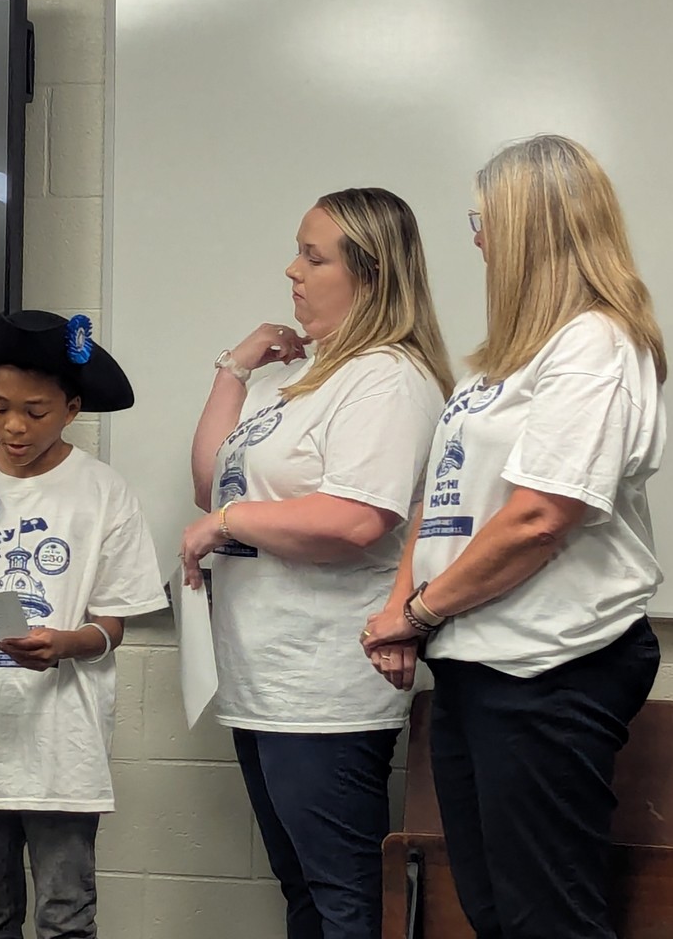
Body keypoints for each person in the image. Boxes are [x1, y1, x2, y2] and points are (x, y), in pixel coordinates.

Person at [362, 135, 667, 939]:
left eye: (484, 218)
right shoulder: (496, 365)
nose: (476, 238)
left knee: (548, 919)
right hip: (476, 660)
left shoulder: (595, 344)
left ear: (531, 226)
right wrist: (404, 612)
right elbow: (442, 498)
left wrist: (419, 613)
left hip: (551, 664)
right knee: (497, 913)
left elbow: (540, 518)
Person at [180, 188, 453, 939]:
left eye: (313, 255)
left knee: (344, 899)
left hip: (322, 685)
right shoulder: (301, 375)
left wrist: (228, 522)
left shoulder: (387, 378)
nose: (291, 271)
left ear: (368, 272)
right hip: (262, 678)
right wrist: (233, 369)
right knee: (301, 890)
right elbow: (212, 485)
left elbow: (357, 518)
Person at [0, 310, 168, 939]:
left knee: (65, 916)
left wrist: (68, 643)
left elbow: (113, 625)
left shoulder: (102, 491)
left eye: (36, 410)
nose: (15, 426)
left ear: (73, 408)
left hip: (61, 749)